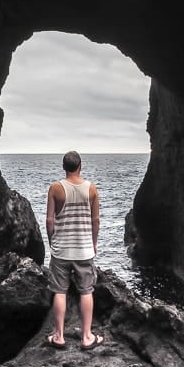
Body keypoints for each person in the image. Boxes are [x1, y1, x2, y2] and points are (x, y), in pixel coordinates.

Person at [44, 150, 104, 351]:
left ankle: (59, 336)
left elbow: (50, 220)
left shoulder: (55, 188)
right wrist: (94, 243)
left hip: (61, 249)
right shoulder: (92, 189)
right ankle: (87, 337)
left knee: (59, 291)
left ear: (64, 167)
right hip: (84, 250)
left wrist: (52, 240)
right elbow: (95, 221)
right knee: (86, 291)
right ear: (80, 166)